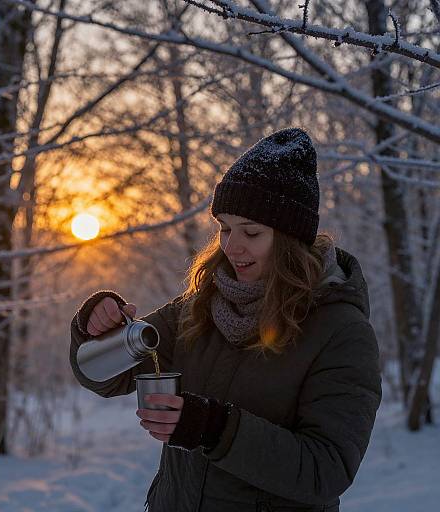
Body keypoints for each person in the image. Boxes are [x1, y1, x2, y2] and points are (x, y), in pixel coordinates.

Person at [69, 127, 382, 512]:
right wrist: (98, 324)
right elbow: (105, 376)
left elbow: (325, 470)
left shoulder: (340, 332)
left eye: (251, 232)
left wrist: (215, 429)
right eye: (225, 228)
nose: (233, 247)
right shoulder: (198, 309)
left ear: (290, 239)